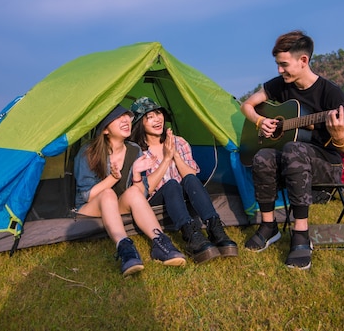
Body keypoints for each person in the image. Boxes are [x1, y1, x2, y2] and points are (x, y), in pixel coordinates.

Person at [240, 30, 344, 270]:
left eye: (284, 65)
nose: (280, 70)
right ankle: (268, 226)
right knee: (263, 156)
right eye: (278, 65)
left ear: (303, 61)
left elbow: (343, 148)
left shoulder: (332, 94)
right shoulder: (280, 86)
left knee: (293, 149)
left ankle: (301, 233)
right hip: (293, 164)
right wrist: (260, 121)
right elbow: (246, 105)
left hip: (326, 167)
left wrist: (340, 135)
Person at [73, 104, 186, 276]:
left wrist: (136, 174)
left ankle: (161, 242)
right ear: (105, 130)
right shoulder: (89, 152)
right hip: (89, 209)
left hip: (117, 206)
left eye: (127, 116)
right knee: (108, 193)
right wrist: (113, 178)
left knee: (133, 192)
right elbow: (87, 196)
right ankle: (125, 247)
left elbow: (141, 194)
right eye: (118, 117)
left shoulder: (134, 150)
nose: (126, 120)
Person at [129, 97, 238, 263]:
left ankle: (215, 228)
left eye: (158, 114)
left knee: (191, 179)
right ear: (140, 123)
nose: (157, 119)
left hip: (183, 196)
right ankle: (190, 235)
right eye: (149, 117)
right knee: (171, 184)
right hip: (157, 201)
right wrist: (166, 160)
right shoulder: (137, 152)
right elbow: (144, 190)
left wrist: (175, 155)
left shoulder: (179, 142)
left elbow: (191, 175)